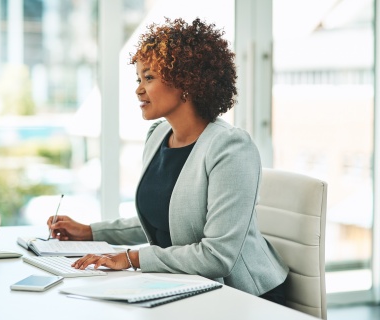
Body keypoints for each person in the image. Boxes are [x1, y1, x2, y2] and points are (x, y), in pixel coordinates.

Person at [47, 17, 289, 305]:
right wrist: (89, 231)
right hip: (182, 285)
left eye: (149, 78)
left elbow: (217, 257)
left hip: (244, 297)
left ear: (185, 82)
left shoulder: (230, 147)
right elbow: (165, 220)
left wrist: (130, 258)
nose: (138, 89)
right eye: (139, 79)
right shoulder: (158, 135)